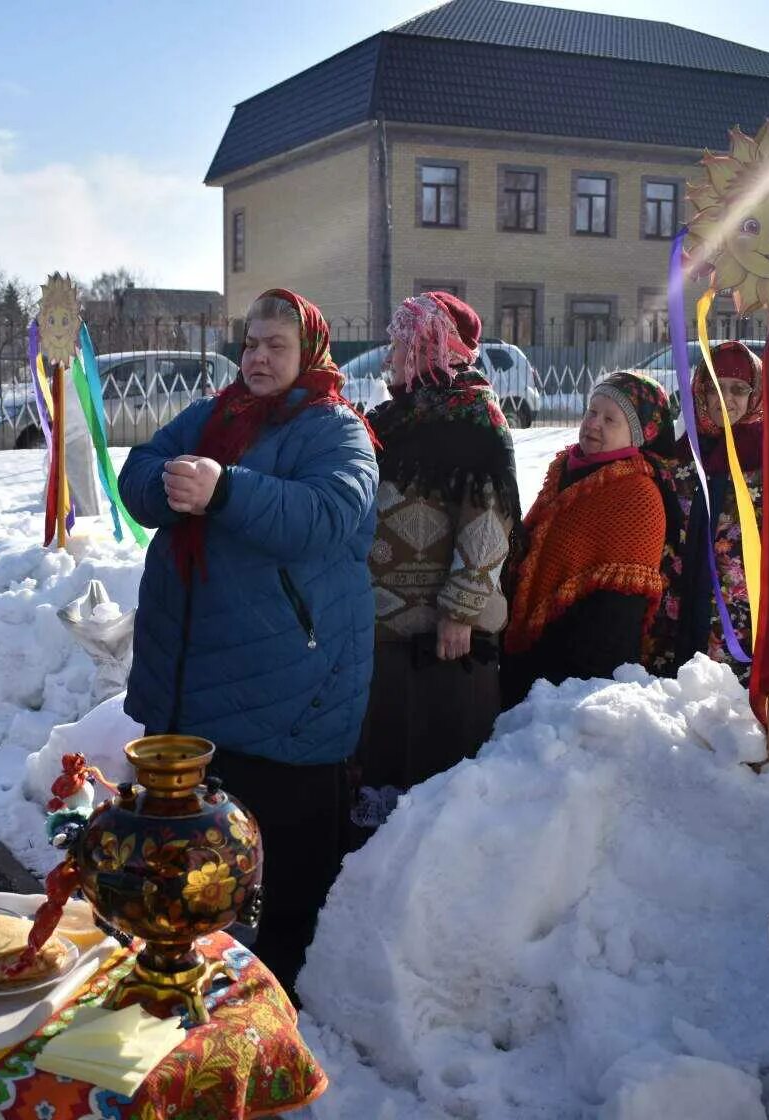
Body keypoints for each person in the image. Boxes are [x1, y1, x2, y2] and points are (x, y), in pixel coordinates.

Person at [118, 288, 378, 999]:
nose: (259, 358)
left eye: (277, 347)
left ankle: (277, 1001)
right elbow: (142, 465)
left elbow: (327, 514)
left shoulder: (337, 429)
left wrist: (225, 490)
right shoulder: (214, 414)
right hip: (188, 685)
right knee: (187, 855)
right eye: (252, 344)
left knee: (285, 865)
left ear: (311, 354)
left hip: (288, 687)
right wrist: (163, 486)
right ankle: (185, 975)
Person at [354, 292, 519, 831]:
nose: (389, 359)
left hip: (442, 635)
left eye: (402, 347)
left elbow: (488, 521)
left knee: (432, 760)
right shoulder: (397, 416)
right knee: (386, 748)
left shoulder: (474, 417)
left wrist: (462, 609)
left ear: (434, 348)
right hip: (386, 624)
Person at [648, 340, 769, 680]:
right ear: (700, 392)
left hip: (747, 649)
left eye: (739, 388)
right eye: (715, 387)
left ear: (756, 394)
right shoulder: (674, 463)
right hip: (668, 640)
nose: (726, 398)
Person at [501, 371, 676, 705]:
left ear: (637, 436)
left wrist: (572, 674)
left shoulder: (638, 496)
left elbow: (621, 611)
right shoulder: (565, 472)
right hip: (529, 654)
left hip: (577, 673)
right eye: (592, 412)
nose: (593, 424)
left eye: (610, 419)